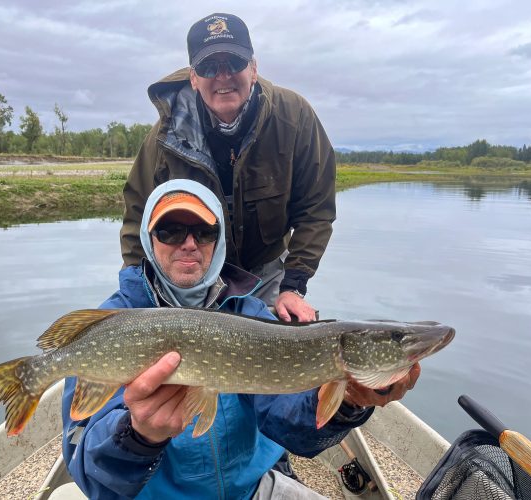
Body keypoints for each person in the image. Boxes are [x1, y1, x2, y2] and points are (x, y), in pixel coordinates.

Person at [62, 179, 420, 499]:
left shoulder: (251, 315)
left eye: (203, 231)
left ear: (218, 242)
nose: (188, 243)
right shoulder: (113, 323)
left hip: (250, 491)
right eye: (171, 230)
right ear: (148, 238)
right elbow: (89, 475)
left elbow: (294, 429)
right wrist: (137, 437)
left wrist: (350, 404)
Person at [120, 13, 337, 323]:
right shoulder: (165, 138)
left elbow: (316, 209)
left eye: (234, 63)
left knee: (280, 343)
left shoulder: (295, 118)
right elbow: (136, 219)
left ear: (253, 68)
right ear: (194, 78)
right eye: (209, 67)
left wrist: (293, 286)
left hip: (266, 267)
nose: (223, 76)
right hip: (193, 269)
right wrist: (138, 293)